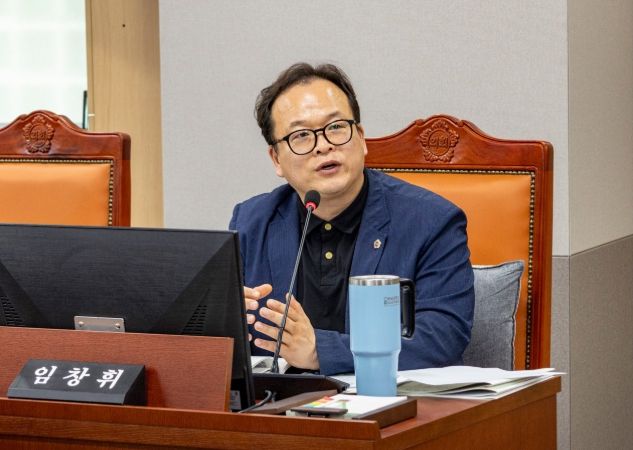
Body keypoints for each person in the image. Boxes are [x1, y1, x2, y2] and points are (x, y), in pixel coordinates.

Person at [229, 62, 474, 376]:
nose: (323, 146)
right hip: (281, 404)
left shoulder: (431, 221)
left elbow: (442, 338)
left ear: (361, 137)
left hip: (388, 401)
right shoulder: (252, 222)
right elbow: (216, 344)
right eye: (301, 135)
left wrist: (320, 352)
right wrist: (225, 321)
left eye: (335, 127)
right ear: (276, 159)